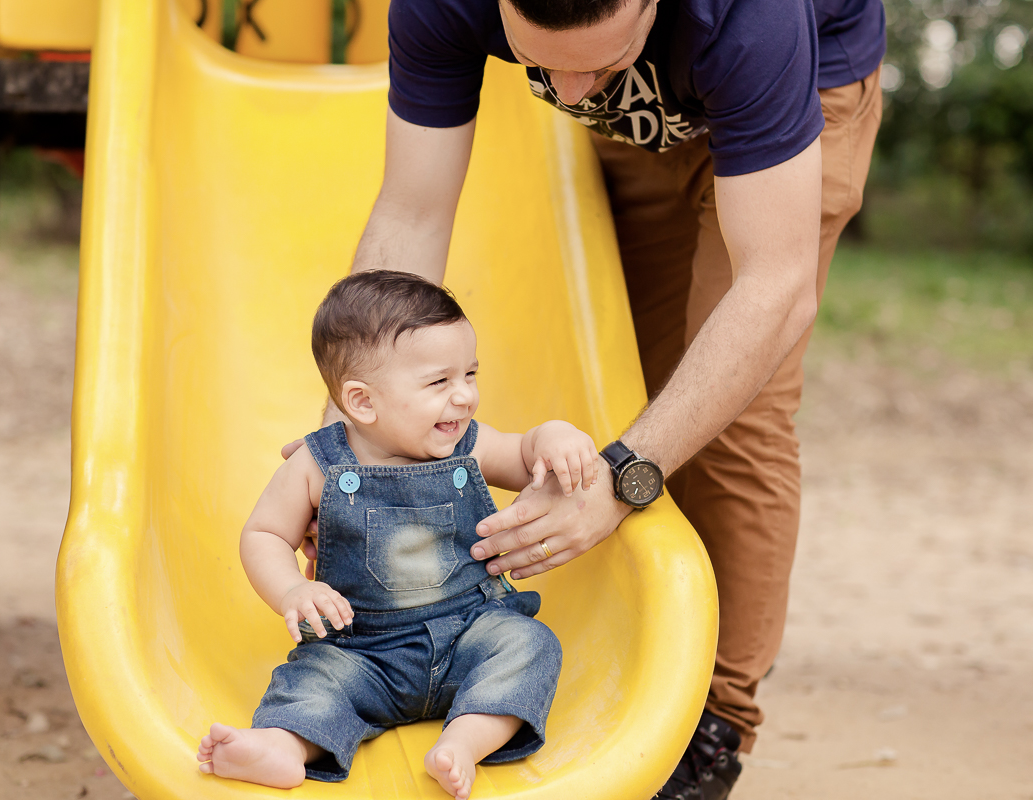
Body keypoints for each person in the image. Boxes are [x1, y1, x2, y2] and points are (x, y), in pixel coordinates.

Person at [328, 0, 888, 797]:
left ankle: (713, 728)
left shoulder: (751, 18)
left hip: (803, 92)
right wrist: (351, 436)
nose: (566, 85)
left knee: (733, 413)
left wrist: (625, 479)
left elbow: (777, 285)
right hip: (654, 110)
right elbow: (414, 213)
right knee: (651, 374)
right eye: (539, 61)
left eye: (594, 61)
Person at [198, 270, 596, 799]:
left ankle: (463, 741)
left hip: (470, 637)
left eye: (470, 374)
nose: (465, 397)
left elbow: (526, 456)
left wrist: (555, 436)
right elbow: (264, 533)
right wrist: (293, 589)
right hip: (362, 652)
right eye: (440, 382)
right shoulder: (317, 465)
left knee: (529, 646)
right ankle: (283, 747)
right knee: (311, 682)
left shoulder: (469, 446)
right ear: (362, 402)